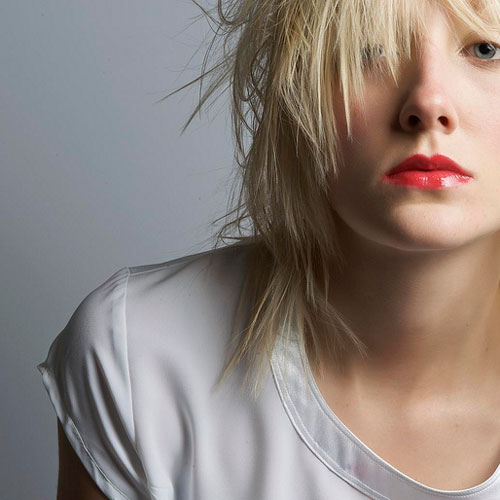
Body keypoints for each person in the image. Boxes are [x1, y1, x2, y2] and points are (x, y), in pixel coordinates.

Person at [37, 0, 500, 498]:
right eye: (369, 49)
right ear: (295, 89)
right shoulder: (141, 358)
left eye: (486, 49)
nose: (428, 103)